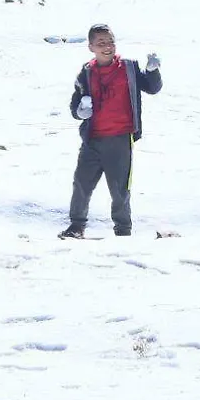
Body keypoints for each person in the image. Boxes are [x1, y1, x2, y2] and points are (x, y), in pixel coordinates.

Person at [60, 24, 163, 240]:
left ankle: (123, 231)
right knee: (81, 183)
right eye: (101, 43)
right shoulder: (86, 73)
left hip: (120, 140)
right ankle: (76, 227)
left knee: (119, 190)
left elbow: (152, 88)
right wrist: (81, 111)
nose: (107, 47)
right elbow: (75, 106)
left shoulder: (128, 67)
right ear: (91, 47)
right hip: (93, 140)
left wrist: (153, 72)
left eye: (110, 42)